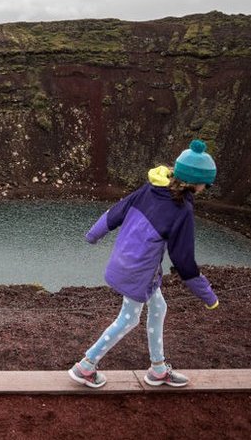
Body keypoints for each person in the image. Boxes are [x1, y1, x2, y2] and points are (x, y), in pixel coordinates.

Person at [68, 139, 220, 389]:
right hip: (138, 271)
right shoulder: (181, 210)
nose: (206, 188)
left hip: (126, 262)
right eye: (206, 183)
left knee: (158, 307)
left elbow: (116, 211)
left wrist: (93, 235)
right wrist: (207, 295)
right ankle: (85, 366)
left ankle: (158, 369)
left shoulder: (150, 189)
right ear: (196, 182)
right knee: (128, 319)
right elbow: (183, 260)